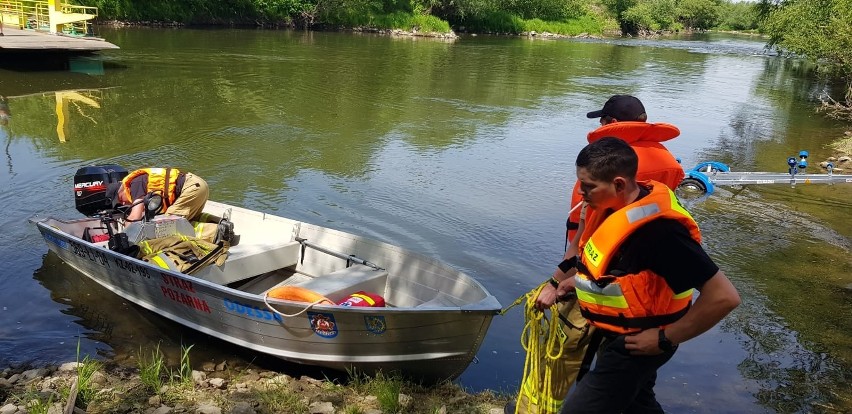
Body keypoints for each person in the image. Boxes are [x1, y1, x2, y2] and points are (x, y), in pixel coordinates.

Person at [511, 95, 687, 414]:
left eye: (603, 122)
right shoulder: (668, 163)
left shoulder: (604, 170)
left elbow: (585, 237)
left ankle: (532, 410)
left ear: (611, 124)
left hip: (595, 279)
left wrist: (557, 282)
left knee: (562, 349)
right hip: (646, 299)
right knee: (632, 383)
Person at [560, 137, 740, 413]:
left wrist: (665, 338)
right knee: (636, 404)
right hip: (616, 331)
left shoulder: (662, 234)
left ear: (619, 184)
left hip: (641, 342)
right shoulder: (614, 209)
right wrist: (572, 282)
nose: (581, 193)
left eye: (588, 186)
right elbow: (622, 275)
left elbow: (724, 297)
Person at [106, 167, 234, 244]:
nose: (123, 203)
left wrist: (125, 237)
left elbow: (135, 215)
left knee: (167, 227)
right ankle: (221, 224)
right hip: (199, 185)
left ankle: (217, 232)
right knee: (189, 220)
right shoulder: (139, 182)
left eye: (120, 200)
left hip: (190, 188)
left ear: (121, 189)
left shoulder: (134, 183)